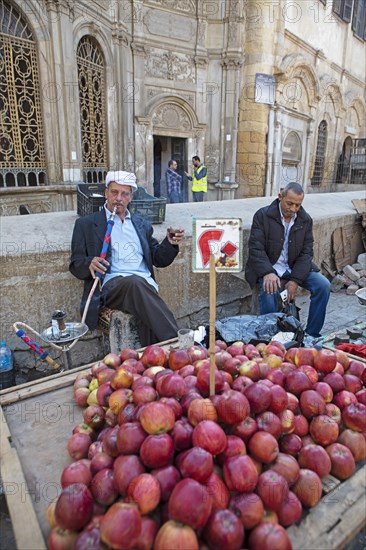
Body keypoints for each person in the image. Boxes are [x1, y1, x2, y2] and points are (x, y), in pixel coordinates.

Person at [70, 170, 184, 346]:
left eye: (124, 194)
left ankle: (157, 364)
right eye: (114, 192)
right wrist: (89, 263)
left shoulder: (141, 224)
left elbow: (158, 258)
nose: (118, 198)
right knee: (135, 282)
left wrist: (169, 243)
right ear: (106, 192)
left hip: (144, 286)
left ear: (131, 197)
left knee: (145, 314)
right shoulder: (86, 224)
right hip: (112, 286)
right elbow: (76, 264)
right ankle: (179, 345)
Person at [245, 182, 331, 338]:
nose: (293, 209)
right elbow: (256, 248)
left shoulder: (305, 220)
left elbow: (306, 253)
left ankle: (312, 335)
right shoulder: (263, 216)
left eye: (298, 205)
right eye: (289, 203)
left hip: (293, 268)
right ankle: (270, 338)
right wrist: (267, 272)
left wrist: (295, 280)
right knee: (269, 290)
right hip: (270, 267)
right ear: (280, 197)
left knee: (323, 285)